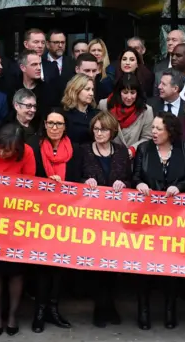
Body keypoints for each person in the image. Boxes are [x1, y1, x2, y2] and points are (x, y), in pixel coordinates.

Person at [133, 111, 185, 330]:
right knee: (144, 267)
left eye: (159, 129)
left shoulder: (184, 148)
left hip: (174, 219)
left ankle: (170, 310)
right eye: (154, 128)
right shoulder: (144, 149)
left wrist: (180, 187)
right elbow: (136, 175)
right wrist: (139, 183)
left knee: (171, 265)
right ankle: (143, 311)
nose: (154, 132)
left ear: (170, 131)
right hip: (147, 216)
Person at [0, 123, 36, 337]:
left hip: (16, 220)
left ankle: (12, 315)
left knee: (16, 271)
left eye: (7, 150)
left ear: (18, 149)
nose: (1, 152)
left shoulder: (28, 153)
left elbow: (30, 186)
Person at [27, 109, 82, 333]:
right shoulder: (33, 145)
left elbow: (78, 178)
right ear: (44, 125)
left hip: (67, 214)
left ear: (65, 126)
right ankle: (39, 311)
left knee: (59, 264)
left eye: (59, 124)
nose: (55, 127)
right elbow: (26, 178)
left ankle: (53, 308)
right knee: (42, 265)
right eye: (51, 123)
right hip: (41, 213)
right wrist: (46, 182)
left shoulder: (76, 150)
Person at [80, 111, 132, 328]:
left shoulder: (120, 152)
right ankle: (100, 309)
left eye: (103, 129)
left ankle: (110, 306)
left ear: (112, 132)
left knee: (113, 265)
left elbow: (129, 178)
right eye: (95, 128)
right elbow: (75, 177)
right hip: (92, 219)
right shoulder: (83, 151)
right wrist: (85, 180)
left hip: (116, 218)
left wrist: (124, 183)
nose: (98, 133)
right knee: (96, 265)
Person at [98, 73, 153, 158]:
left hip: (131, 161)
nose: (129, 97)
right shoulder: (104, 105)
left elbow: (147, 138)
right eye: (125, 92)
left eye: (133, 92)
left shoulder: (146, 111)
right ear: (119, 92)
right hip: (107, 157)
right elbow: (98, 131)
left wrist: (133, 149)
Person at [62, 73, 100, 145]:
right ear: (76, 90)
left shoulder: (98, 115)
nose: (91, 93)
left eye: (92, 89)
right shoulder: (64, 115)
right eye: (87, 89)